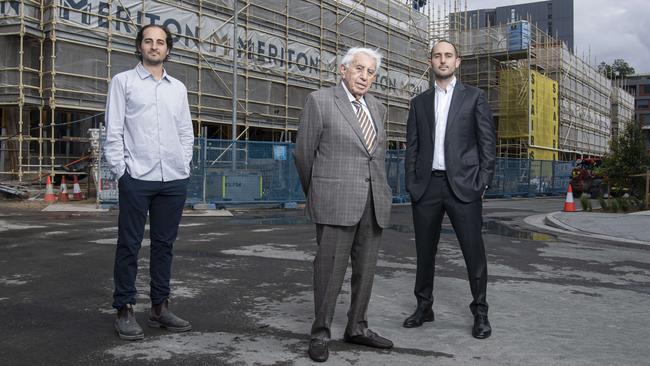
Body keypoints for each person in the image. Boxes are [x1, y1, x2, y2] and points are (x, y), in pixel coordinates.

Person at [294, 47, 394, 362]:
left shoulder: (378, 108)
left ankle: (357, 328)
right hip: (335, 202)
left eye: (371, 72)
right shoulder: (320, 101)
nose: (364, 76)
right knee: (329, 272)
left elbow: (377, 156)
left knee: (365, 272)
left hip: (373, 202)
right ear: (343, 70)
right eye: (359, 69)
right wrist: (320, 192)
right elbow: (303, 154)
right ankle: (320, 334)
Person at [104, 24, 195, 340]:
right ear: (139, 47)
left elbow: (186, 131)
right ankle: (124, 308)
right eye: (148, 41)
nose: (154, 46)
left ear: (168, 49)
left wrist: (184, 164)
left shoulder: (178, 89)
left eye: (160, 42)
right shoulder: (123, 83)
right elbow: (113, 130)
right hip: (137, 177)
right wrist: (121, 172)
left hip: (173, 178)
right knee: (129, 244)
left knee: (164, 245)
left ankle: (160, 307)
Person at [403, 40, 496, 339]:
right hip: (427, 187)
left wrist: (482, 182)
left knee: (473, 253)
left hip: (464, 187)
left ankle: (480, 312)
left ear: (458, 62)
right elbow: (412, 148)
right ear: (430, 62)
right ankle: (424, 307)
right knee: (424, 252)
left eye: (448, 56)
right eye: (437, 56)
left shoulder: (475, 98)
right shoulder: (418, 103)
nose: (442, 60)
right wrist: (412, 183)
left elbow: (487, 143)